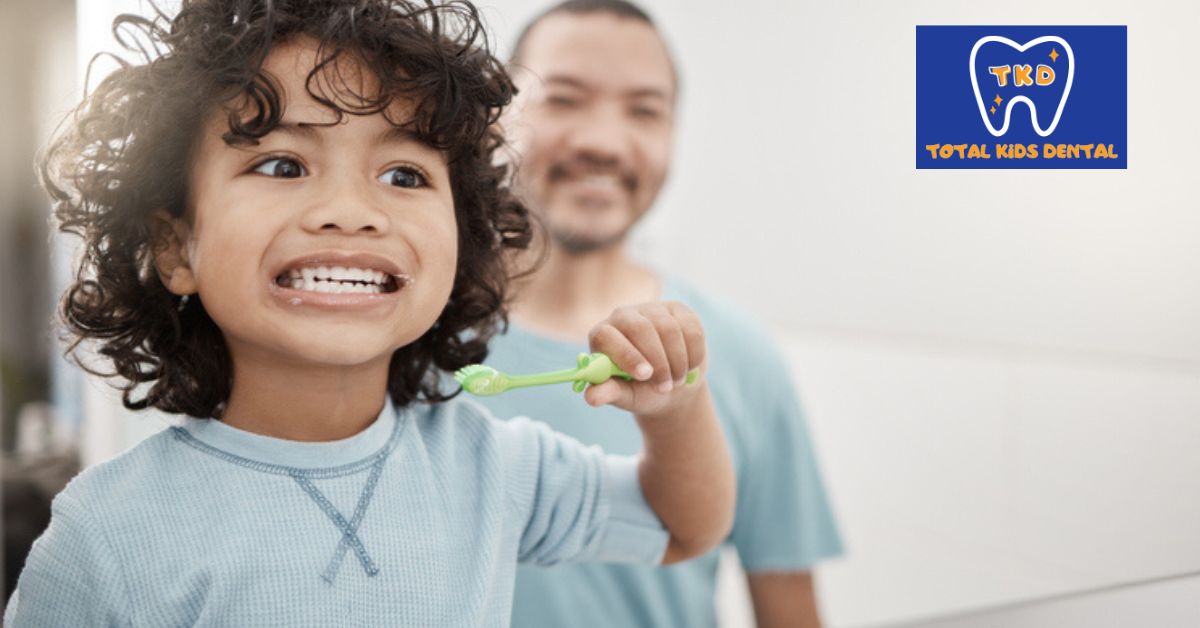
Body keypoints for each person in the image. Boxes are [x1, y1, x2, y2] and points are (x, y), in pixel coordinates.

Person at [3, 1, 736, 625]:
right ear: (174, 246)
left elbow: (682, 527)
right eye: (283, 165)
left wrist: (675, 410)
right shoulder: (106, 533)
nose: (351, 212)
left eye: (404, 175)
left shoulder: (491, 467)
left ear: (462, 238)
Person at [476, 1, 845, 626]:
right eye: (563, 99)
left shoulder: (740, 356)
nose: (602, 142)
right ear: (496, 120)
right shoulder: (406, 334)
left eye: (644, 111)